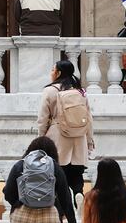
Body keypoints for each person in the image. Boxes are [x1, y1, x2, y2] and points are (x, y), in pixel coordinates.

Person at [37, 60, 95, 206]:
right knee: (76, 177)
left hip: (57, 138)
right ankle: (78, 197)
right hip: (79, 138)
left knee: (57, 177)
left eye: (52, 70)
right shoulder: (80, 91)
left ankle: (61, 210)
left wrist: (41, 140)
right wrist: (89, 141)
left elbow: (42, 119)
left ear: (59, 72)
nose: (51, 73)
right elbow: (89, 118)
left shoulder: (50, 91)